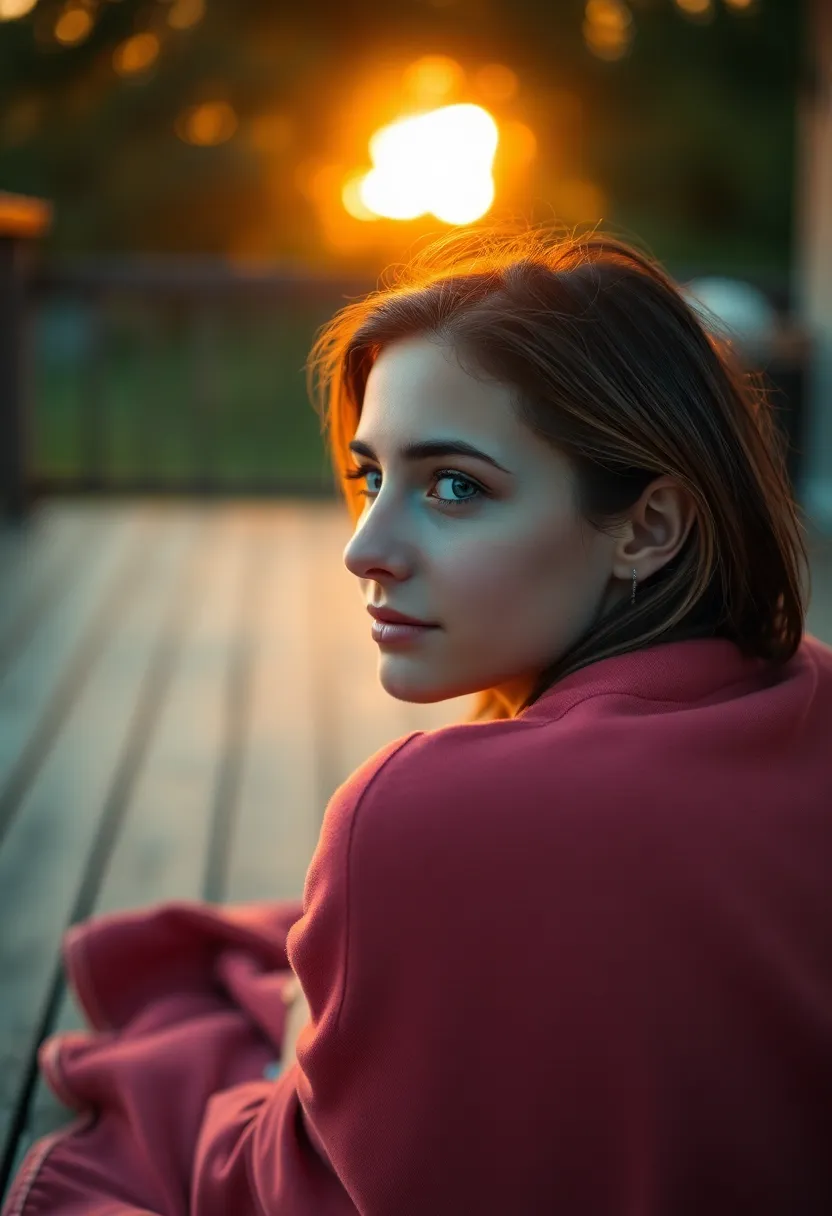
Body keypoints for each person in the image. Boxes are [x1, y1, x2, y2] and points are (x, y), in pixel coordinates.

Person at [5, 226, 832, 1216]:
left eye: (454, 486)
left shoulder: (420, 814)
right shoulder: (814, 694)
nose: (364, 548)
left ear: (648, 527)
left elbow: (273, 1187)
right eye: (371, 477)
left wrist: (298, 1040)